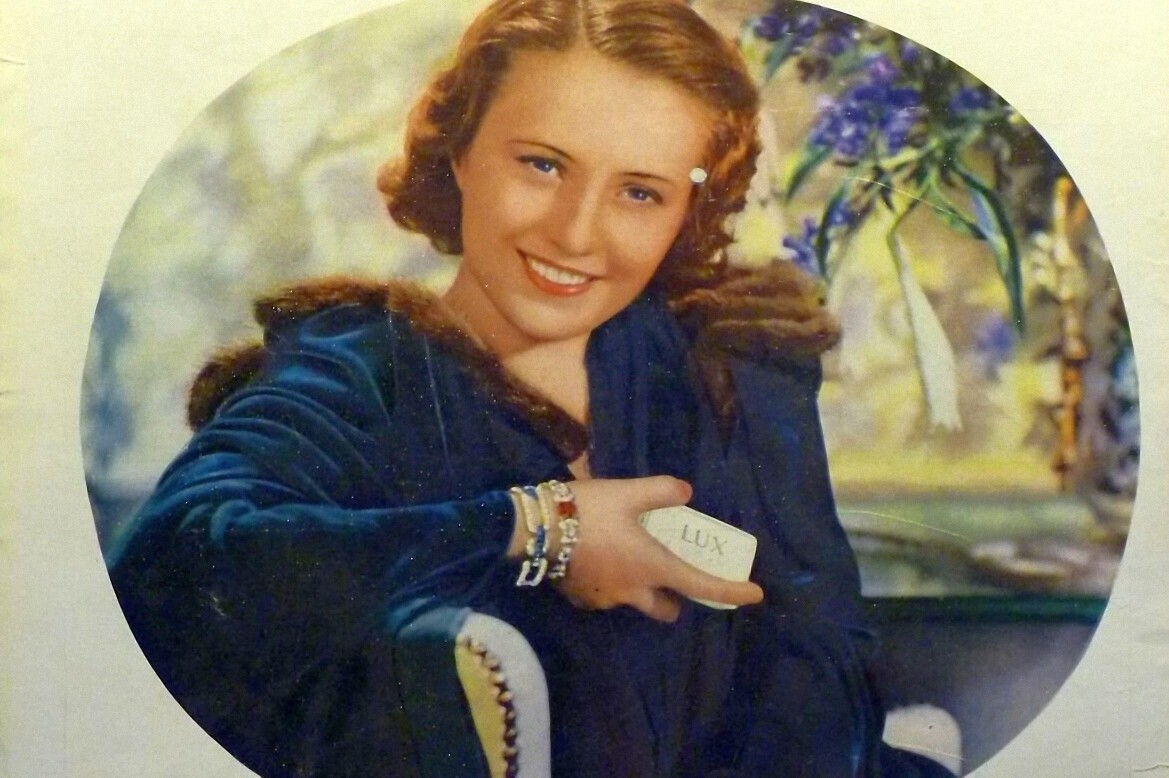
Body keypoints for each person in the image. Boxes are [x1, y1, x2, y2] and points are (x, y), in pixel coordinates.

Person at [107, 0, 956, 775]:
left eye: (639, 192)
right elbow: (166, 569)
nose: (576, 233)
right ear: (460, 150)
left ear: (684, 216)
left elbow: (821, 672)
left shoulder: (732, 365)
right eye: (544, 165)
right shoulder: (359, 372)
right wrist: (537, 527)